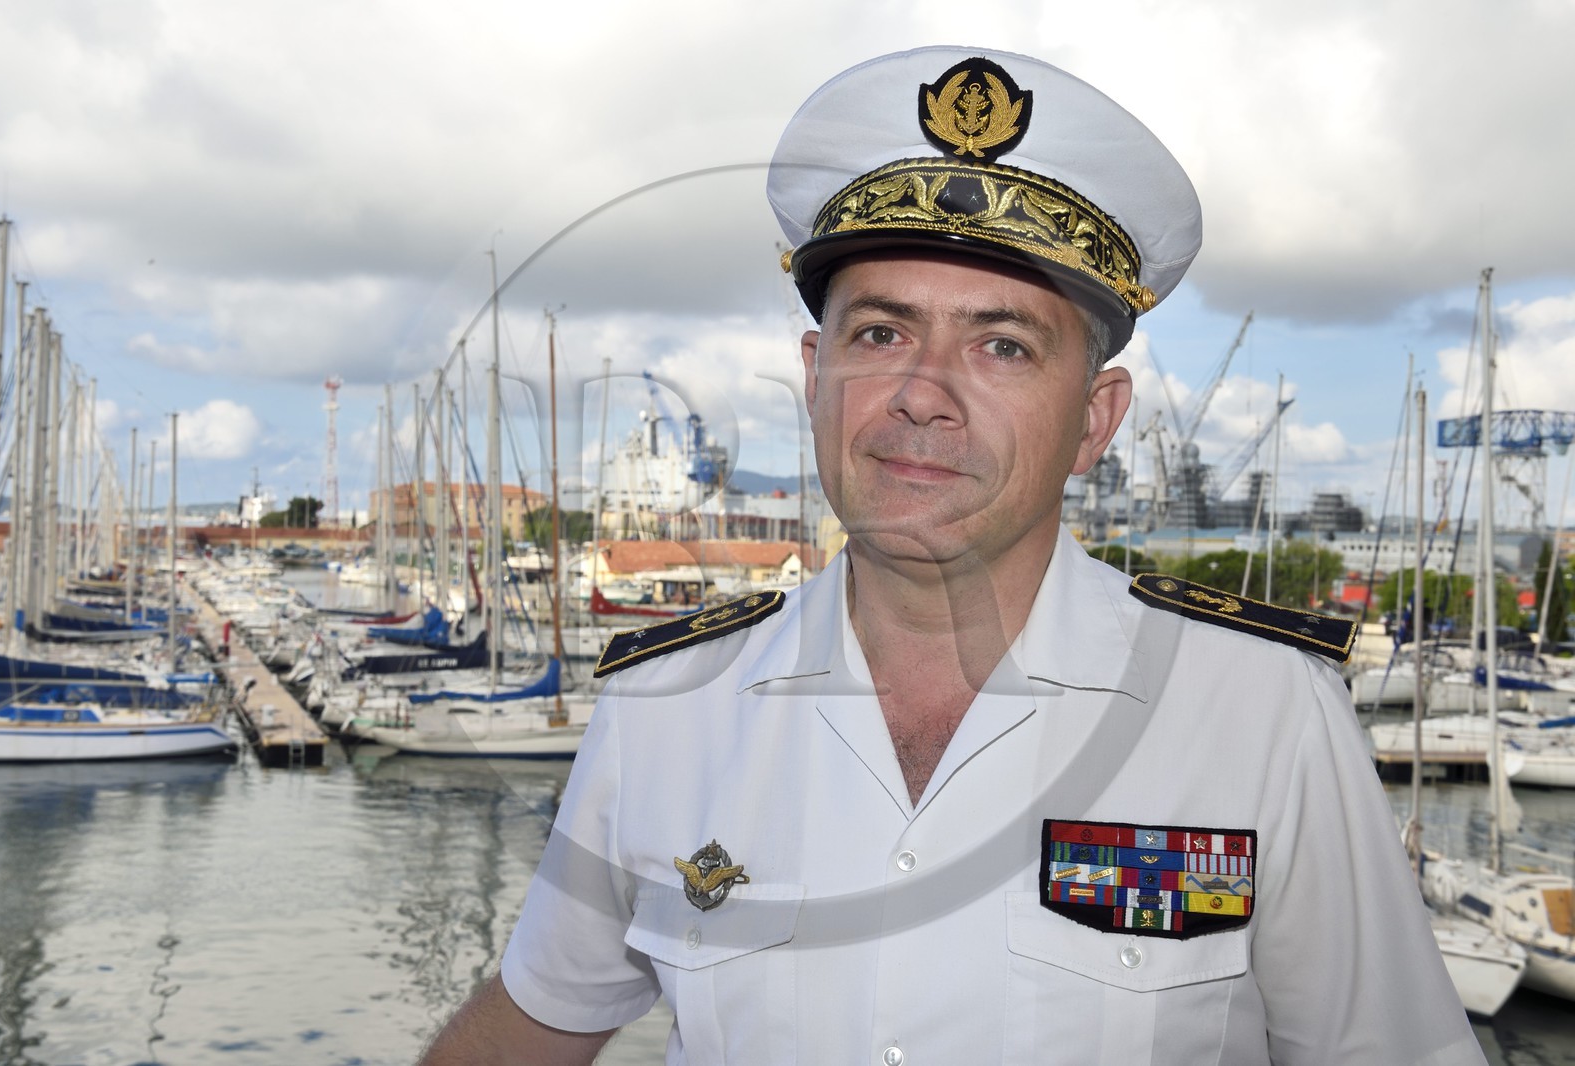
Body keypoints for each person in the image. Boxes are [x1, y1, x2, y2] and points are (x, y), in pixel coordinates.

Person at [420, 46, 1484, 1065]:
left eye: (1002, 345)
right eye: (880, 333)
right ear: (815, 374)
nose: (921, 391)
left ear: (1093, 420)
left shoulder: (1259, 711)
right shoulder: (668, 708)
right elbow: (526, 1028)